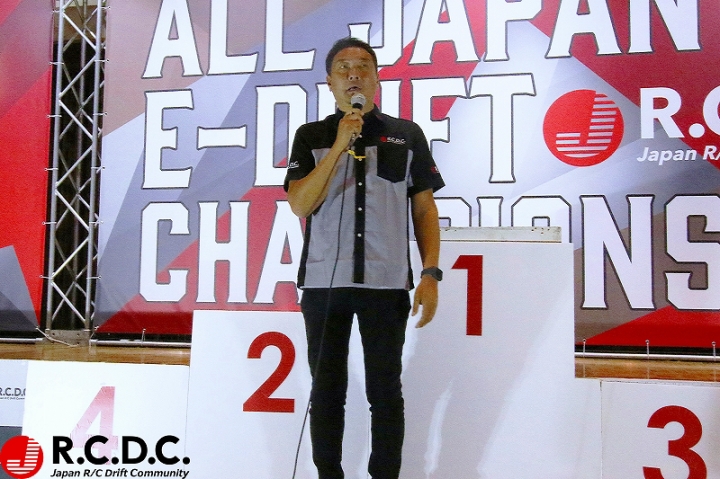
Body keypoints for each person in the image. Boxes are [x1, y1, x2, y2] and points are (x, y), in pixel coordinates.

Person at [284, 37, 445, 479]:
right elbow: (300, 204)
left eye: (362, 66)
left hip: (386, 284)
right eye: (343, 67)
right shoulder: (311, 136)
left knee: (385, 392)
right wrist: (339, 144)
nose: (353, 73)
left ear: (376, 79)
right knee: (327, 391)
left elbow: (424, 209)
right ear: (330, 82)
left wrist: (430, 272)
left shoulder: (406, 135)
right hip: (324, 284)